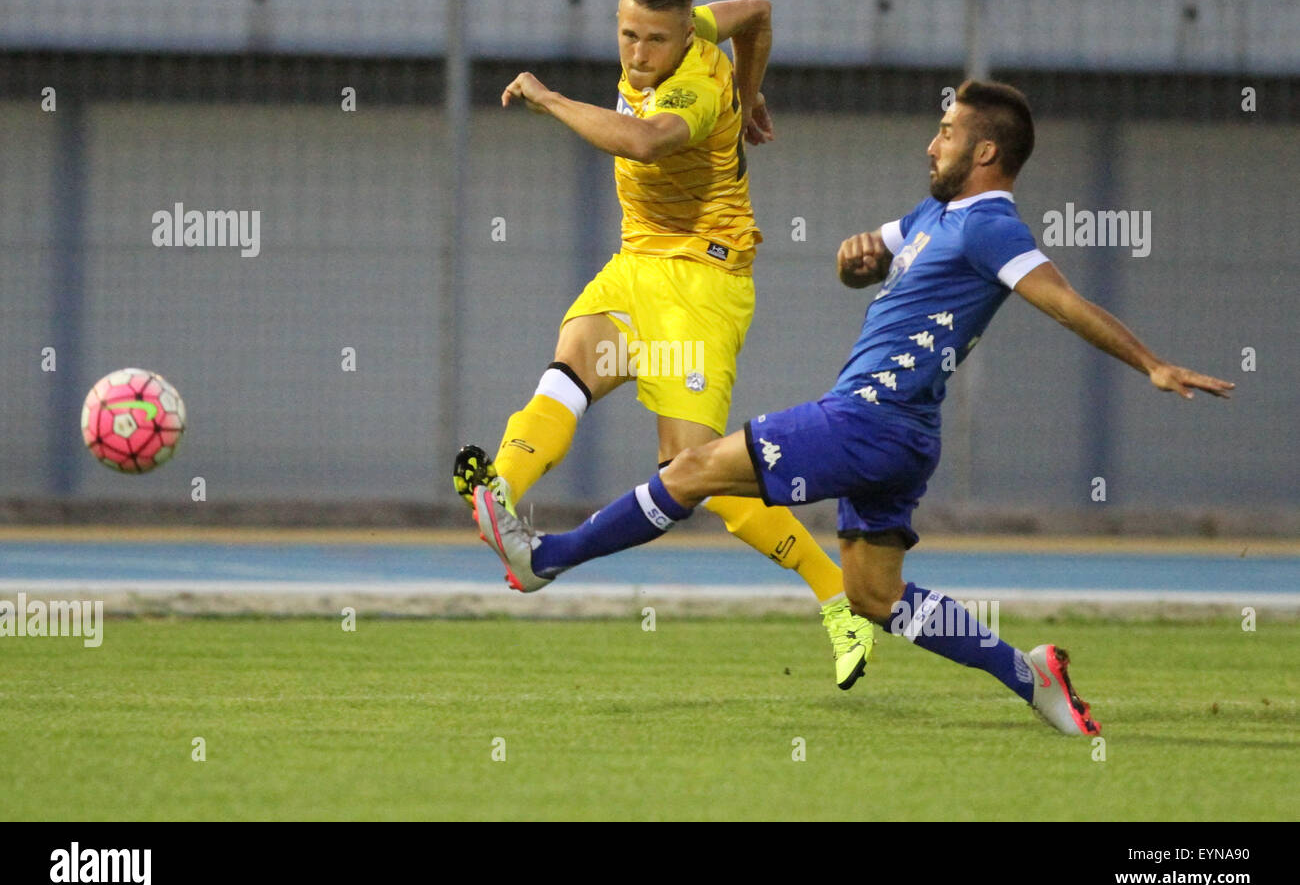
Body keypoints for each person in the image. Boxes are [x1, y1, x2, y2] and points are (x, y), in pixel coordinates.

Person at [468, 79, 1236, 736]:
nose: (929, 146)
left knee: (693, 467)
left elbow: (1063, 301)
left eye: (945, 133)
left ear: (986, 155)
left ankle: (546, 561)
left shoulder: (990, 224)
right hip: (901, 435)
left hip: (868, 419)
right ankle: (1030, 676)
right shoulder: (934, 216)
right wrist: (852, 259)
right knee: (874, 596)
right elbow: (869, 256)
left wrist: (1152, 364)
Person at [454, 0, 876, 690]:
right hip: (636, 264)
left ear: (683, 35)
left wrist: (551, 97)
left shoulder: (693, 88)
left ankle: (839, 598)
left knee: (699, 477)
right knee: (570, 370)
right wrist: (754, 92)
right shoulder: (703, 24)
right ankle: (502, 503)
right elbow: (760, 10)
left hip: (701, 283)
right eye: (627, 35)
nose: (638, 53)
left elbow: (644, 142)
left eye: (654, 40)